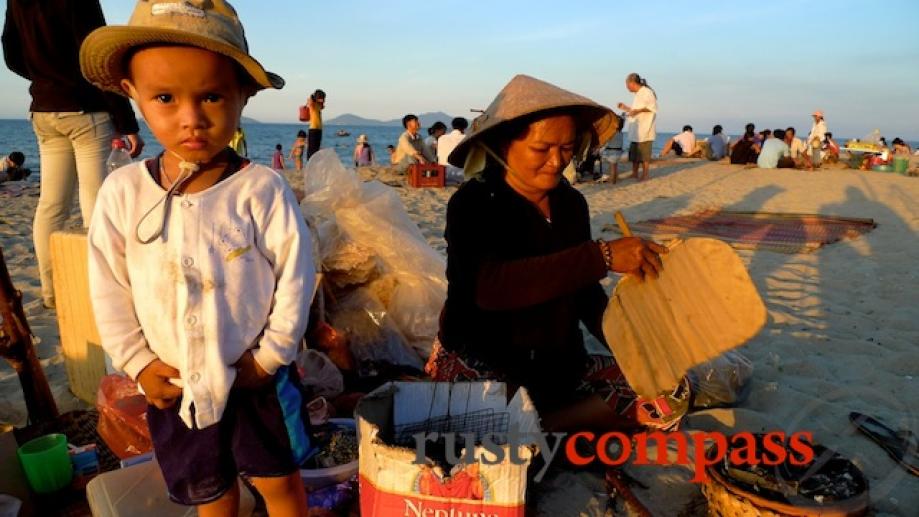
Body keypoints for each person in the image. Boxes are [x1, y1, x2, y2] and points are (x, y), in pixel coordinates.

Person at [82, 1, 314, 515]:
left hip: (255, 378)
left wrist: (271, 355)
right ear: (133, 96)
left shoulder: (261, 188)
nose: (191, 119)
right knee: (208, 490)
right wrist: (139, 364)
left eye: (211, 96)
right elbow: (109, 288)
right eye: (165, 98)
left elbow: (296, 276)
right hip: (173, 383)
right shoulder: (122, 193)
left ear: (243, 97)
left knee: (279, 483)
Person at [432, 75, 670, 432]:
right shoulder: (473, 202)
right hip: (486, 359)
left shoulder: (571, 203)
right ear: (504, 143)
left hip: (559, 363)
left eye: (568, 148)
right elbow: (489, 287)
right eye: (542, 150)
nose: (557, 161)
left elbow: (586, 293)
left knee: (665, 397)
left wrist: (628, 345)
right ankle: (539, 426)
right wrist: (602, 257)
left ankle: (540, 426)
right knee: (487, 410)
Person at [3, 0, 145, 309]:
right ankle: (98, 290)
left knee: (52, 205)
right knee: (95, 201)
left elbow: (11, 56)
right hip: (85, 109)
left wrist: (46, 79)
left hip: (44, 108)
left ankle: (52, 291)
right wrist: (127, 123)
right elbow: (99, 56)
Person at [618, 73, 657, 181]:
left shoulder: (647, 92)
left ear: (632, 83)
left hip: (645, 128)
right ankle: (635, 173)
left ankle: (645, 175)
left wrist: (638, 110)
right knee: (634, 154)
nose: (627, 88)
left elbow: (652, 108)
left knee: (644, 155)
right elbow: (635, 111)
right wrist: (625, 107)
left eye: (627, 85)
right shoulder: (638, 94)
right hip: (636, 130)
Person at [600, 115, 625, 182]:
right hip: (618, 152)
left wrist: (601, 148)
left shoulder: (612, 132)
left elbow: (607, 142)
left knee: (612, 167)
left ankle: (612, 180)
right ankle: (615, 177)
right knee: (615, 166)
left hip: (612, 151)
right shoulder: (621, 133)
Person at [306, 89, 325, 160]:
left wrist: (321, 101)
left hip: (319, 129)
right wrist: (315, 96)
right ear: (317, 98)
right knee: (311, 150)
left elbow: (323, 106)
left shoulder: (319, 105)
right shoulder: (312, 104)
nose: (323, 100)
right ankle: (309, 164)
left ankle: (315, 164)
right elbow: (309, 100)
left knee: (317, 149)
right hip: (313, 129)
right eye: (321, 98)